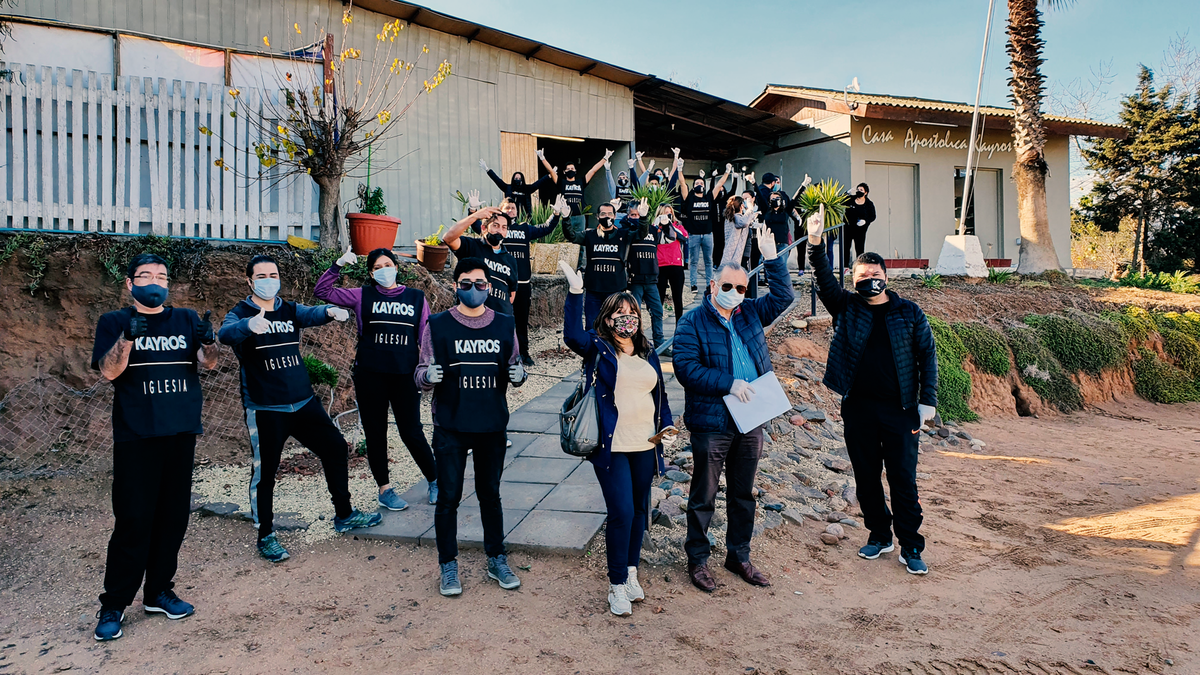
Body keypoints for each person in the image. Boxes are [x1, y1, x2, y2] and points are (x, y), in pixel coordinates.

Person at [219, 254, 382, 564]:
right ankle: (265, 534)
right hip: (266, 408)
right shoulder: (239, 313)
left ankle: (344, 514)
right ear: (249, 281)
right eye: (262, 276)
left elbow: (311, 314)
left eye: (273, 274)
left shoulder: (288, 309)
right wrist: (247, 325)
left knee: (335, 448)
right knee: (265, 472)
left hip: (304, 402)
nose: (269, 280)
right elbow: (225, 334)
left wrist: (331, 311)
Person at [90, 253, 219, 641]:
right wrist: (128, 337)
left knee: (173, 519)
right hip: (137, 435)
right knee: (134, 521)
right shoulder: (113, 322)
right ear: (130, 283)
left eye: (161, 276)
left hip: (180, 433)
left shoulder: (185, 319)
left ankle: (159, 591)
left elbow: (208, 364)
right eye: (144, 276)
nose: (154, 281)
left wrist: (209, 341)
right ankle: (114, 603)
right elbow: (108, 371)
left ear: (168, 283)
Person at [806, 206, 937, 575]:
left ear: (886, 277)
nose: (869, 280)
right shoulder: (846, 306)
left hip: (901, 410)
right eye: (862, 276)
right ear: (854, 279)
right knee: (866, 477)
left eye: (875, 275)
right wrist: (815, 241)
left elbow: (928, 356)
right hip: (858, 408)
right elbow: (822, 277)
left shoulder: (909, 312)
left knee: (902, 481)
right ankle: (879, 535)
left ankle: (911, 545)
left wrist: (927, 400)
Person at [671, 224, 794, 593]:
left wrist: (772, 260)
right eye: (728, 287)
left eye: (741, 288)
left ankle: (739, 555)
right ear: (713, 286)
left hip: (751, 420)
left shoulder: (750, 312)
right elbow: (685, 368)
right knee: (703, 496)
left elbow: (784, 296)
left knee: (744, 493)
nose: (735, 293)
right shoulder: (692, 320)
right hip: (713, 422)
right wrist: (728, 383)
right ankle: (698, 560)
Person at [559, 263, 676, 616]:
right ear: (608, 319)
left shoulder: (647, 350)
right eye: (619, 314)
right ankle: (615, 586)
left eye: (632, 313)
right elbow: (570, 336)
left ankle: (630, 573)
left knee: (640, 510)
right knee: (622, 512)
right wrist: (576, 294)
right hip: (613, 446)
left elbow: (660, 396)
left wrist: (667, 428)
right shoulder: (598, 347)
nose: (627, 318)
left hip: (646, 444)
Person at [415, 257, 527, 597]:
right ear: (455, 286)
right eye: (466, 283)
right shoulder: (436, 325)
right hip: (451, 424)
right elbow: (420, 371)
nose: (473, 289)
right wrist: (426, 378)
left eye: (480, 283)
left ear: (489, 287)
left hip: (491, 424)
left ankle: (496, 557)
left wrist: (520, 375)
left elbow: (516, 364)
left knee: (490, 495)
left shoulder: (505, 325)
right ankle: (448, 565)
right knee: (448, 497)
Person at [314, 247, 438, 509]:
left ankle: (435, 479)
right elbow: (322, 292)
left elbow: (425, 338)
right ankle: (385, 489)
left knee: (411, 431)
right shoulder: (362, 296)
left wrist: (427, 369)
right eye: (378, 267)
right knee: (375, 433)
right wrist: (337, 266)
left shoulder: (416, 298)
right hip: (370, 375)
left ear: (396, 267)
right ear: (371, 272)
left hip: (405, 374)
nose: (384, 270)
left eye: (388, 264)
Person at [467, 194, 568, 365]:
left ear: (517, 212)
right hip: (499, 285)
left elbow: (545, 228)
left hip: (522, 284)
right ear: (501, 210)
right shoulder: (495, 230)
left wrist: (556, 214)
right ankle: (495, 354)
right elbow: (477, 225)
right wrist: (473, 211)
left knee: (521, 321)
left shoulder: (524, 229)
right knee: (496, 319)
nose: (510, 210)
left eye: (513, 208)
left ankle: (523, 354)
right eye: (507, 207)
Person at [567, 200, 635, 329]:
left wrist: (644, 218)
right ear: (597, 217)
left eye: (610, 214)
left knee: (616, 326)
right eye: (603, 214)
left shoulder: (623, 234)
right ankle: (593, 349)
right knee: (592, 325)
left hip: (615, 289)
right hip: (594, 290)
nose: (607, 217)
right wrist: (566, 218)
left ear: (615, 216)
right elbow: (572, 236)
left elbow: (641, 234)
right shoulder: (590, 235)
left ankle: (612, 349)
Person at [443, 203, 519, 316]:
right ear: (483, 228)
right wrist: (475, 216)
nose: (499, 231)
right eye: (495, 225)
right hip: (470, 317)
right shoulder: (471, 246)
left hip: (501, 321)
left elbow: (511, 295)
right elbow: (448, 238)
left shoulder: (510, 260)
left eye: (504, 227)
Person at [622, 198, 666, 347]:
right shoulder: (626, 231)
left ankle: (660, 344)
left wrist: (667, 222)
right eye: (633, 215)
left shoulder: (653, 230)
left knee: (658, 312)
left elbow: (672, 237)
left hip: (652, 280)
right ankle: (635, 344)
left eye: (638, 215)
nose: (636, 217)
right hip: (635, 280)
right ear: (628, 215)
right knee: (635, 315)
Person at [540, 148, 610, 238]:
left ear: (575, 171)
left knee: (581, 240)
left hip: (580, 217)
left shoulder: (581, 182)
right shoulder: (561, 183)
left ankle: (581, 253)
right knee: (566, 240)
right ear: (564, 172)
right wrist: (542, 158)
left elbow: (593, 170)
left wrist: (605, 157)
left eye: (572, 168)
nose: (570, 170)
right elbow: (551, 171)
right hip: (566, 217)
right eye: (568, 169)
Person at [683, 165, 733, 292]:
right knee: (693, 261)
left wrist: (727, 171)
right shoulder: (690, 198)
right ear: (693, 186)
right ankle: (693, 284)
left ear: (704, 186)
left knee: (708, 261)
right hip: (694, 234)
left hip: (707, 234)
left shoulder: (709, 197)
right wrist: (679, 168)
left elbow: (719, 184)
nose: (699, 184)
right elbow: (683, 184)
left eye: (701, 183)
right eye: (697, 183)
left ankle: (709, 284)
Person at [478, 158, 553, 217]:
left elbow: (539, 183)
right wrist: (487, 170)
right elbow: (497, 180)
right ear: (513, 179)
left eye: (519, 178)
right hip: (509, 215)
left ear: (522, 180)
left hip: (525, 216)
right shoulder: (507, 188)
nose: (517, 180)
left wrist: (550, 175)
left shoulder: (527, 189)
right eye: (516, 178)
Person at [654, 205, 688, 326]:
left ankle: (679, 326)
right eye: (665, 213)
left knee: (677, 297)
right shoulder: (655, 228)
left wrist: (669, 224)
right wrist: (659, 225)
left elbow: (683, 237)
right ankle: (657, 326)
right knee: (659, 298)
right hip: (661, 266)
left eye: (670, 213)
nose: (668, 215)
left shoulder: (677, 226)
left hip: (676, 265)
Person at [842, 183, 877, 270]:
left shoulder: (868, 204)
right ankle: (845, 267)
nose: (859, 191)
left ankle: (859, 267)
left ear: (866, 192)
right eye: (858, 189)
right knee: (846, 248)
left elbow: (873, 216)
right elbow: (840, 201)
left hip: (860, 230)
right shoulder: (851, 199)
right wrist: (847, 193)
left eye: (861, 190)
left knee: (859, 248)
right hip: (848, 228)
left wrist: (865, 221)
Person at [721, 193, 759, 266]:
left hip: (733, 251)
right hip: (735, 252)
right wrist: (750, 209)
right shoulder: (736, 217)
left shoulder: (731, 217)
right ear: (741, 206)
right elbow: (743, 222)